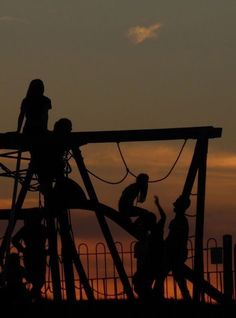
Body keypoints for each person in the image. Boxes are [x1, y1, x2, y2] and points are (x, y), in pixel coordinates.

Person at [153, 194, 191, 301]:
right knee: (177, 277)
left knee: (163, 275)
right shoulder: (180, 220)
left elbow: (174, 238)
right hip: (175, 252)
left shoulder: (180, 221)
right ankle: (187, 299)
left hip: (174, 253)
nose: (174, 204)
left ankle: (157, 297)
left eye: (177, 202)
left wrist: (166, 246)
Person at [132, 195, 166, 299]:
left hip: (152, 261)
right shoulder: (154, 231)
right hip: (153, 261)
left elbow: (163, 217)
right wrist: (158, 205)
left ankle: (150, 297)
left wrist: (157, 205)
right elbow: (163, 217)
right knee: (147, 283)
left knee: (143, 283)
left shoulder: (154, 232)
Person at [11, 213, 48, 300]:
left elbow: (14, 239)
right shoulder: (43, 229)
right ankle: (33, 296)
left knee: (35, 277)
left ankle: (32, 296)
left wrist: (22, 249)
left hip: (31, 254)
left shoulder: (27, 229)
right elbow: (14, 239)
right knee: (38, 278)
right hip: (38, 254)